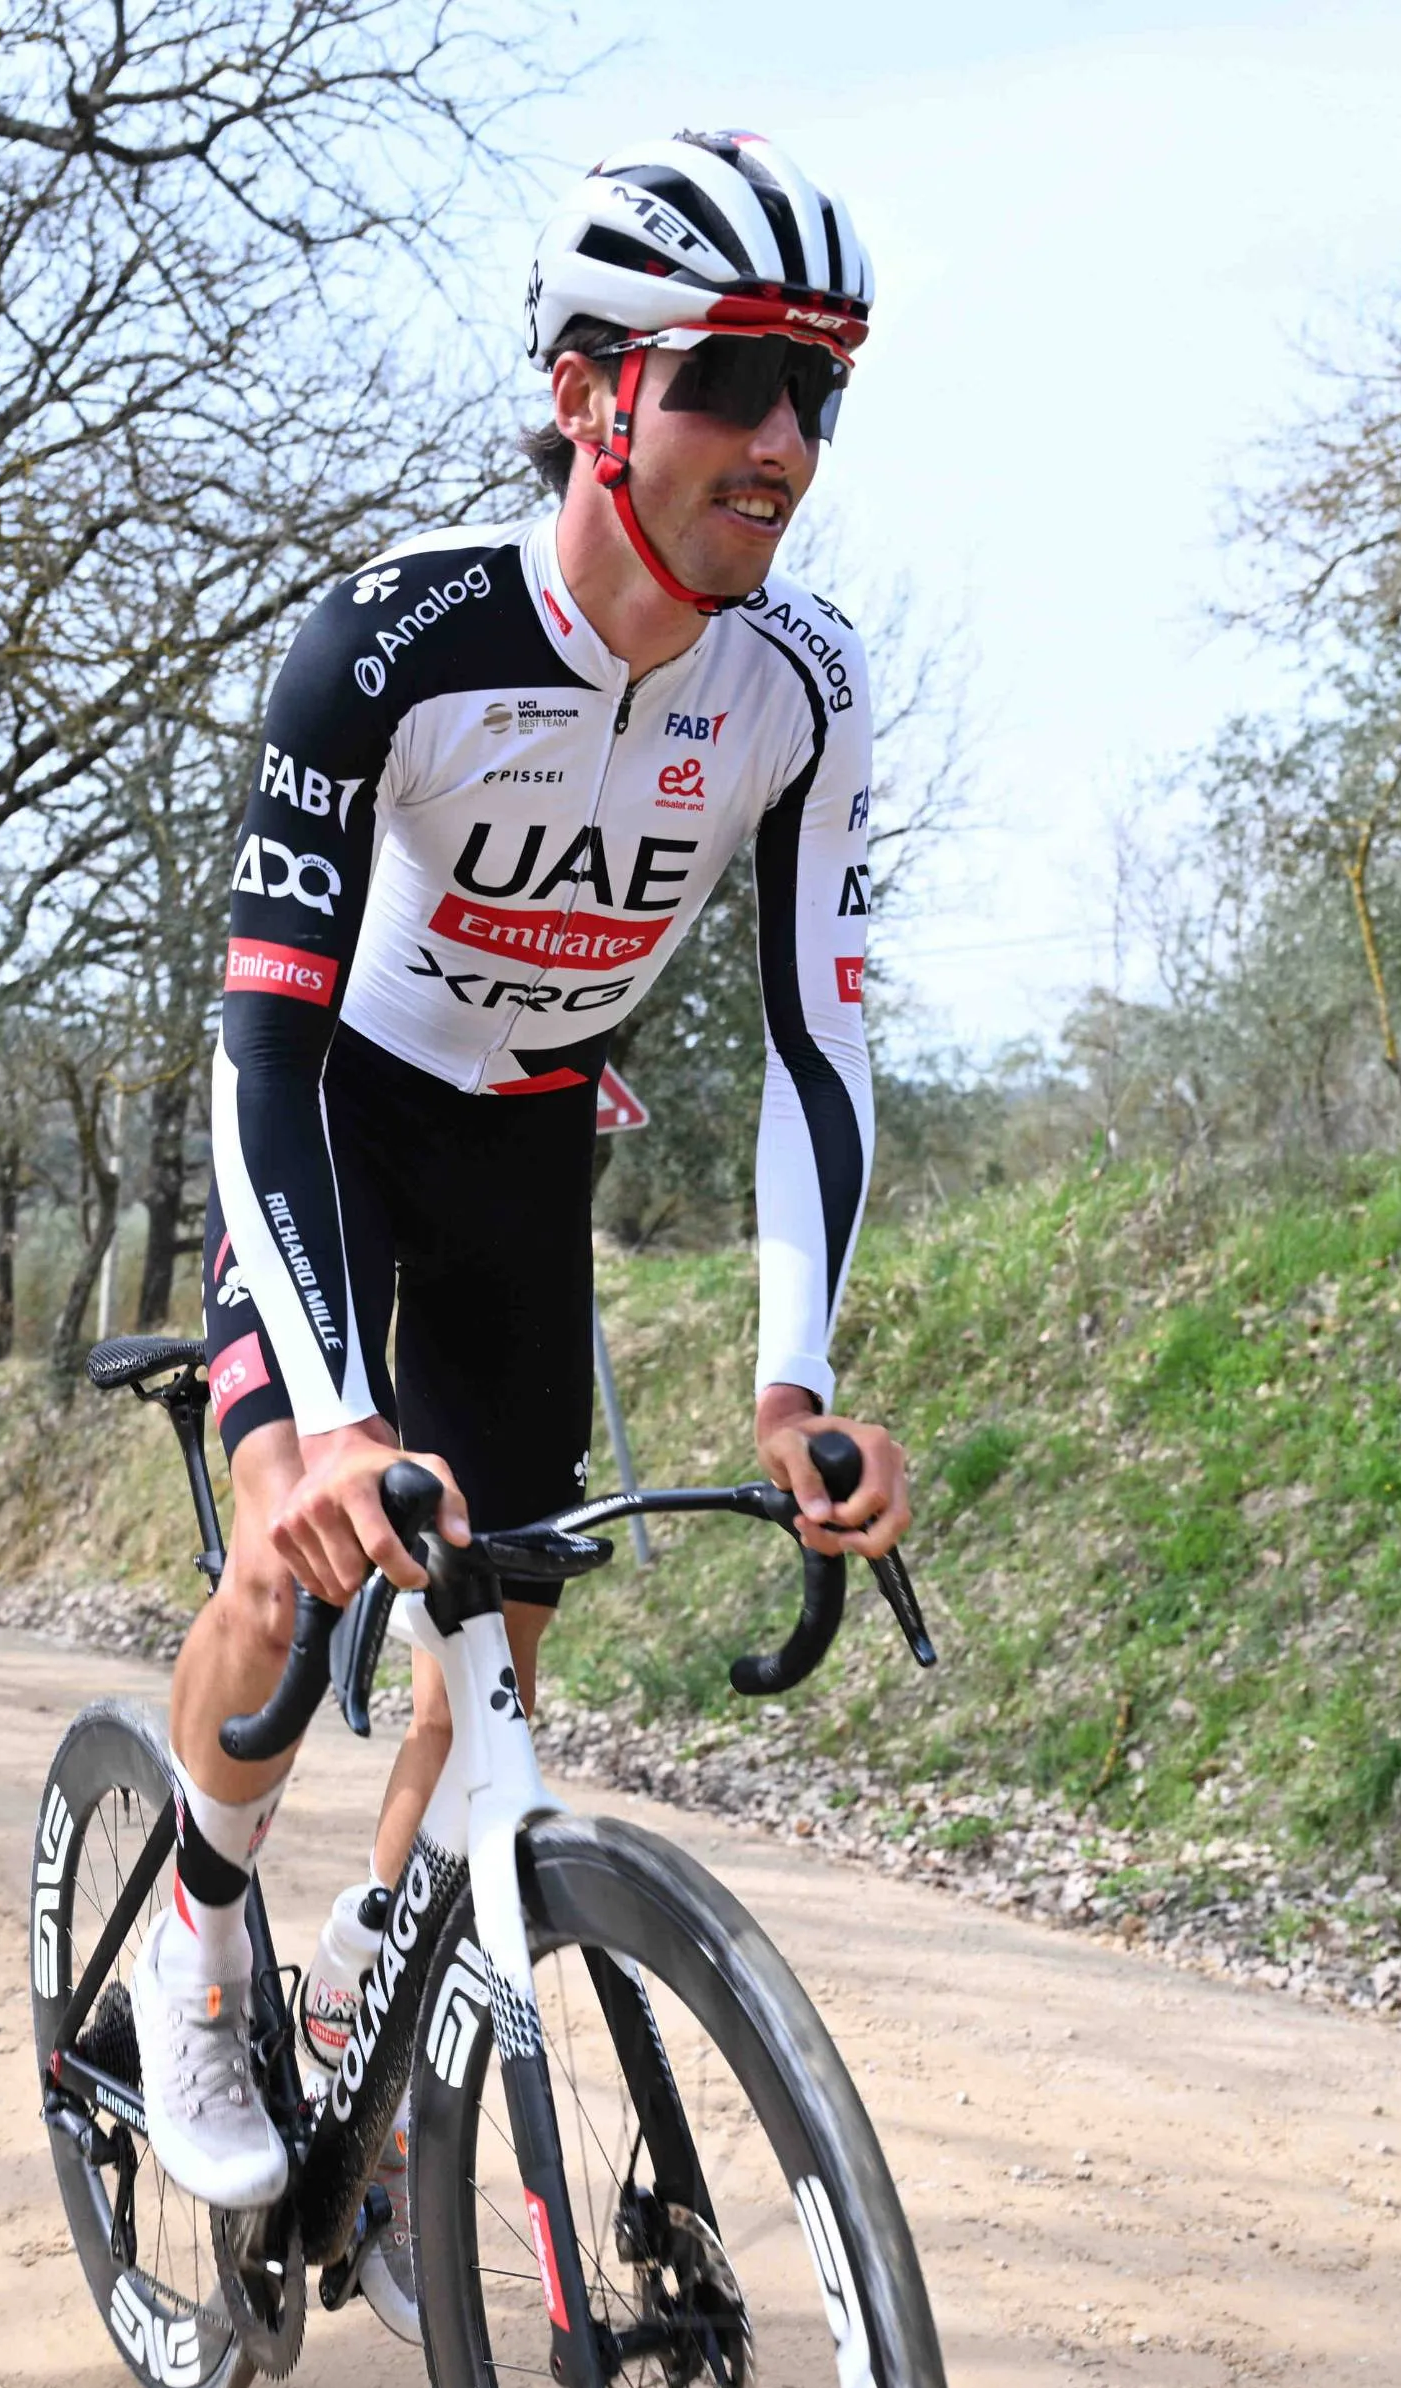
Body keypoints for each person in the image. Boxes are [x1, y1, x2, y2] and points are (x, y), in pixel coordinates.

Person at [139, 130, 911, 2238]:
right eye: (731, 379)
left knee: (498, 1627)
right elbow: (263, 1041)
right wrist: (326, 1418)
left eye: (816, 391)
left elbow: (817, 1040)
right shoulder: (390, 639)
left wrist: (794, 1381)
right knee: (296, 1566)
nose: (782, 439)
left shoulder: (805, 686)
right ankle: (197, 1937)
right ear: (591, 396)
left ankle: (371, 1987)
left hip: (527, 1138)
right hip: (332, 1116)